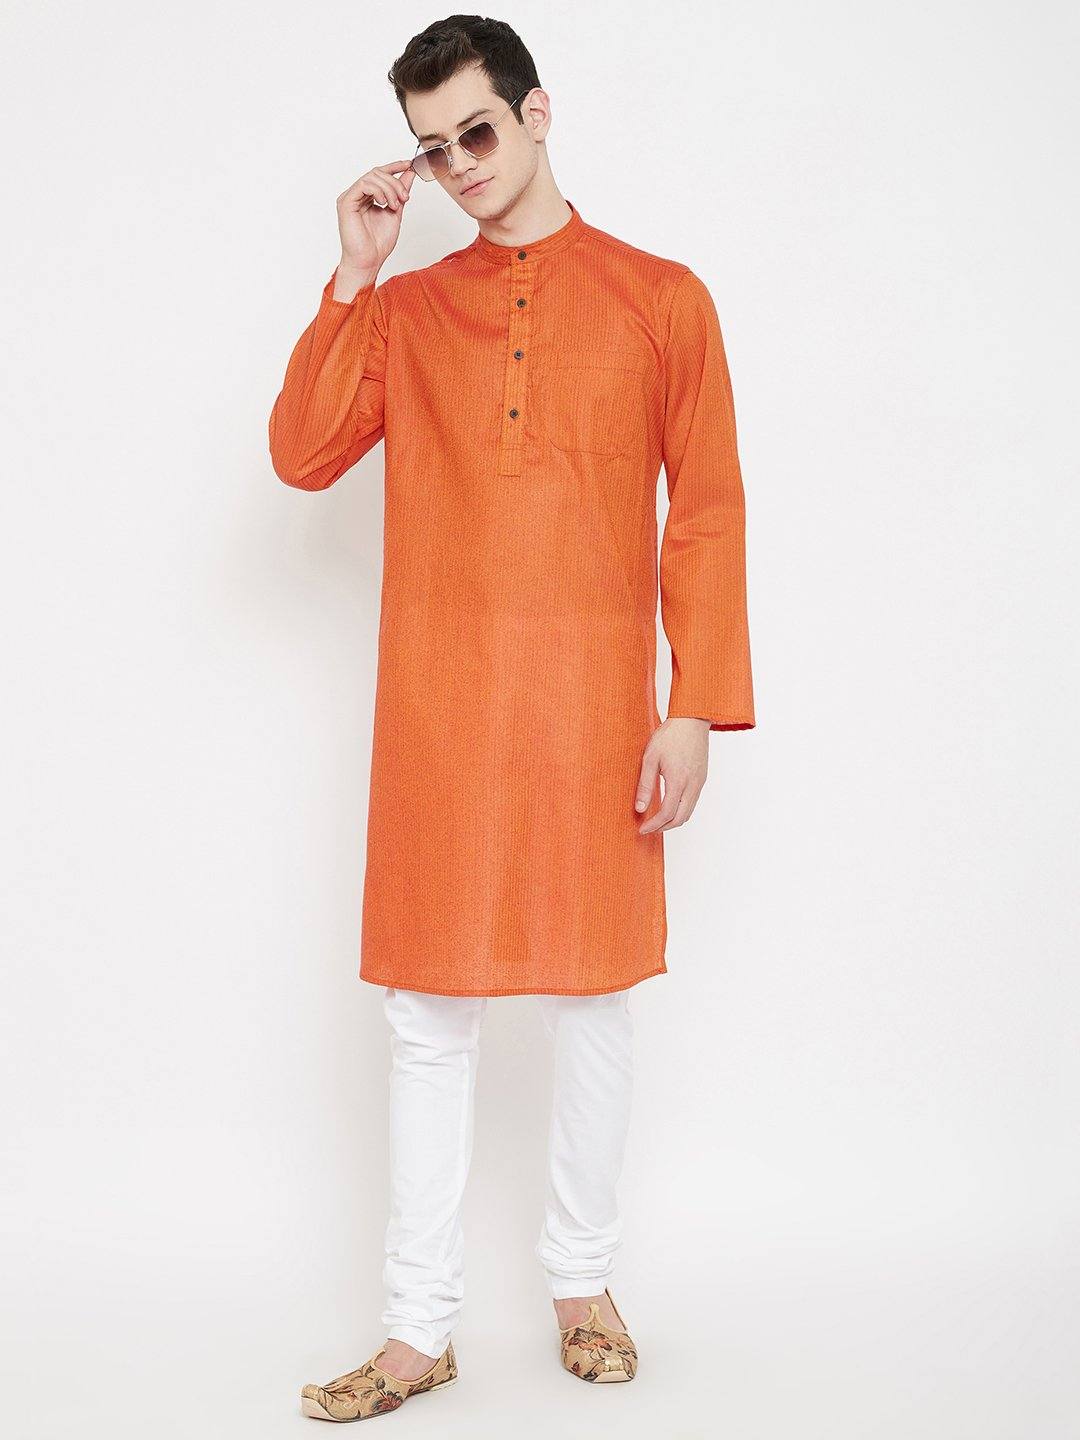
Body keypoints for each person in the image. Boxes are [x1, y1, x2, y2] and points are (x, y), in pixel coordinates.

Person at [268, 14, 756, 1423]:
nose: (461, 166)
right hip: (442, 706)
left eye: (476, 132)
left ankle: (581, 1281)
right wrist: (356, 272)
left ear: (538, 114)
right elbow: (303, 453)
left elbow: (705, 511)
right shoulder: (409, 313)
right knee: (429, 1013)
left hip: (596, 710)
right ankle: (417, 1327)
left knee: (595, 999)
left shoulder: (662, 298)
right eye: (432, 150)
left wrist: (695, 706)